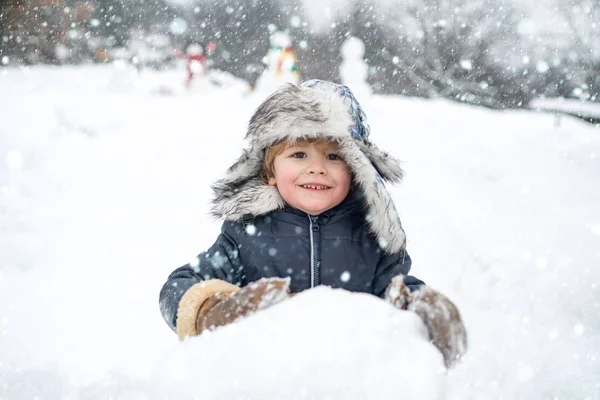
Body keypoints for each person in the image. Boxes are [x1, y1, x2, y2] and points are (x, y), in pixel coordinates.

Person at [159, 80, 467, 368]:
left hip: (349, 378)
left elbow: (396, 291)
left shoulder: (371, 236)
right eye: (299, 154)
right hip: (264, 377)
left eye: (334, 157)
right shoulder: (246, 233)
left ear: (357, 169)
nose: (317, 168)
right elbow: (179, 286)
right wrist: (213, 310)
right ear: (270, 171)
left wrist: (423, 312)